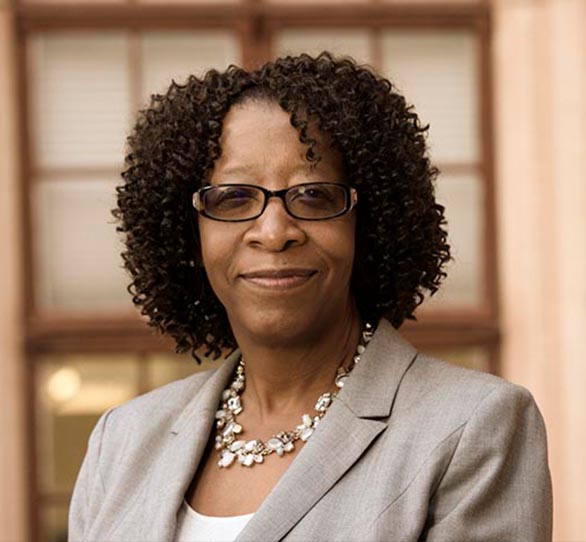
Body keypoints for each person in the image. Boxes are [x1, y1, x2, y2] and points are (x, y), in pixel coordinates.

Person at [69, 52, 552, 542]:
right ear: (185, 232)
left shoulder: (473, 427)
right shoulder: (123, 441)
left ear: (370, 224)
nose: (274, 232)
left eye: (315, 196)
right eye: (233, 198)